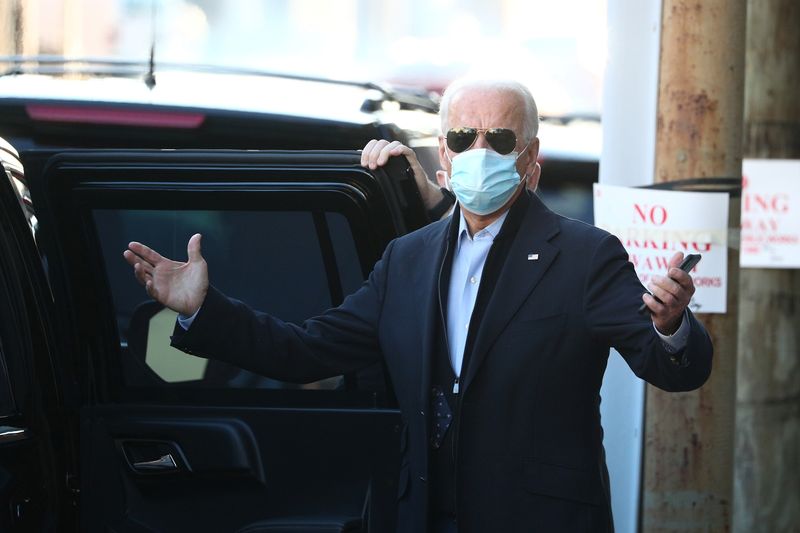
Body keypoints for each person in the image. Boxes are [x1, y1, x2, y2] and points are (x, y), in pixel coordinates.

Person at [123, 77, 713, 533]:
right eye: (464, 138)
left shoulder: (585, 254)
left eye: (500, 140)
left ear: (531, 158)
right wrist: (202, 307)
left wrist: (671, 327)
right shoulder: (407, 258)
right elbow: (306, 351)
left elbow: (669, 366)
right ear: (444, 156)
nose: (480, 150)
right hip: (426, 513)